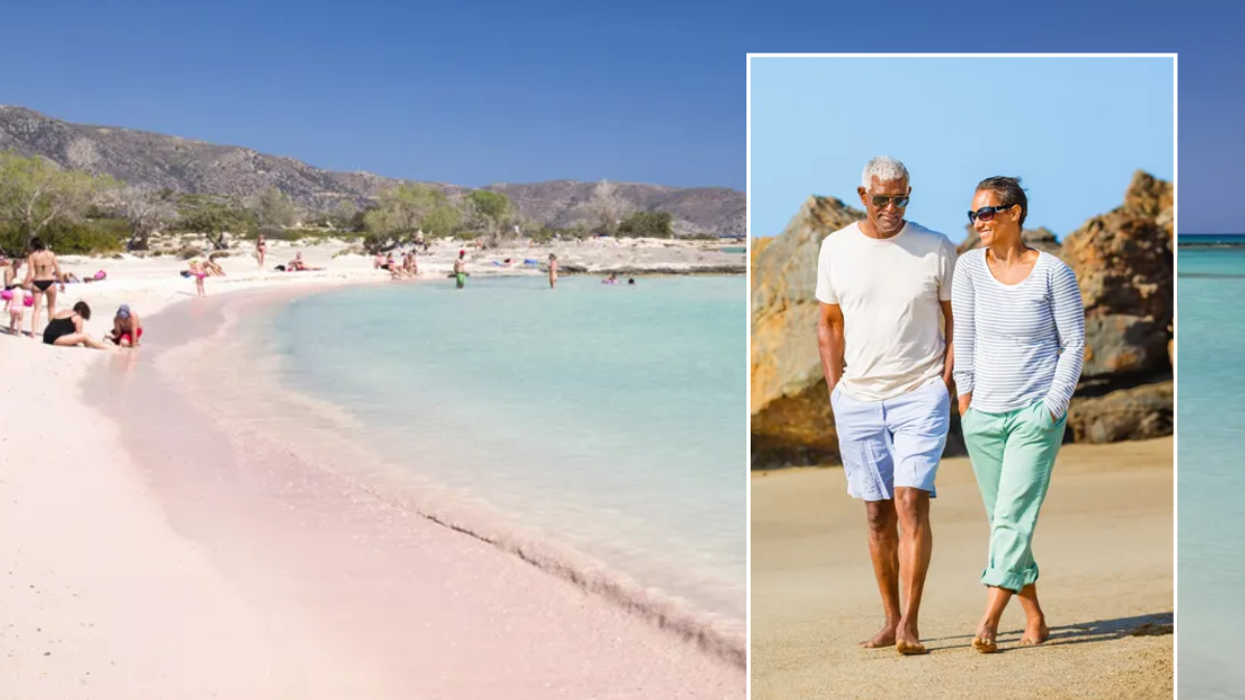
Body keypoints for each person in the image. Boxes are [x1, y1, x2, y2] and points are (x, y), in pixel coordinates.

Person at [815, 156, 958, 655]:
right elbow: (829, 324)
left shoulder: (937, 248)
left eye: (901, 198)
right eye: (882, 199)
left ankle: (911, 624)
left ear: (909, 194)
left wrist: (946, 377)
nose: (891, 208)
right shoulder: (835, 249)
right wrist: (836, 391)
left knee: (909, 503)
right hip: (856, 399)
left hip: (920, 394)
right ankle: (889, 617)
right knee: (877, 514)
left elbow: (956, 318)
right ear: (863, 195)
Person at [951, 177, 1085, 654]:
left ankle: (988, 619)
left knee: (1011, 518)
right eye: (973, 215)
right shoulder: (967, 268)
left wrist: (1053, 406)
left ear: (1015, 213)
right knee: (1006, 522)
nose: (977, 223)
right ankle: (1035, 616)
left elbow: (1073, 345)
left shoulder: (1054, 273)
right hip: (982, 416)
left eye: (985, 213)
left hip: (1034, 416)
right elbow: (962, 338)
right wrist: (965, 401)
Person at [24, 237, 64, 337]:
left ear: (33, 246)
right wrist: (62, 282)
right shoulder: (50, 254)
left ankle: (33, 332)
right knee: (51, 308)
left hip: (37, 282)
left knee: (37, 308)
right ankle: (52, 332)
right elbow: (58, 269)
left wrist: (24, 284)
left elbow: (30, 273)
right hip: (50, 282)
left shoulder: (32, 257)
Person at [42, 301, 109, 349]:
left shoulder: (64, 311)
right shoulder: (77, 317)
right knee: (86, 336)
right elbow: (79, 336)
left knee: (85, 337)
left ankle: (101, 345)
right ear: (81, 312)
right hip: (54, 339)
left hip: (46, 336)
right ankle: (107, 347)